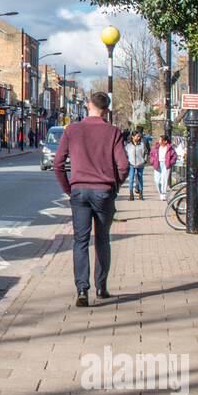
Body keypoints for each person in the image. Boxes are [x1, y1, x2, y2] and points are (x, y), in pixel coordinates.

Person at [54, 90, 129, 307]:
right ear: (106, 110)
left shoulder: (73, 130)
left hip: (79, 191)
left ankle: (81, 290)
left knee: (80, 241)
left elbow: (58, 164)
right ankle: (101, 287)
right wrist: (114, 186)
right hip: (103, 191)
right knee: (103, 239)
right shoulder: (113, 132)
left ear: (88, 105)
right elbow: (123, 166)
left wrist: (69, 189)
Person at [125, 128, 149, 201]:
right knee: (131, 178)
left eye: (139, 136)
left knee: (140, 178)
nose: (138, 138)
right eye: (137, 136)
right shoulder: (128, 145)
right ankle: (131, 194)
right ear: (133, 136)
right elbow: (125, 154)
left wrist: (145, 160)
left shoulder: (142, 144)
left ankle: (141, 194)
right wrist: (127, 161)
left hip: (140, 163)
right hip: (131, 163)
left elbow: (146, 152)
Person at [151, 132, 177, 200]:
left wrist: (170, 163)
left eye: (160, 139)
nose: (159, 141)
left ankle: (163, 194)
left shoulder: (170, 148)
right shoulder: (156, 147)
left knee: (164, 180)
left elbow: (174, 156)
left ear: (165, 141)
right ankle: (160, 193)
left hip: (166, 164)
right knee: (157, 181)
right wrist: (152, 161)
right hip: (157, 164)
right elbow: (152, 154)